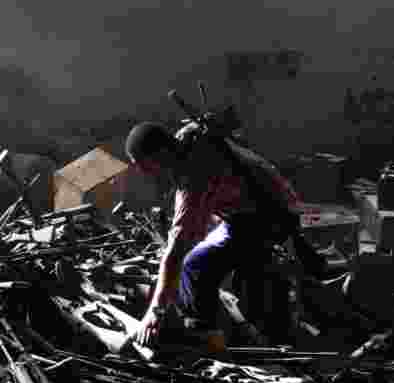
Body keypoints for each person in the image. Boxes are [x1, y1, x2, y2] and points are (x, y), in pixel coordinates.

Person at [125, 120, 315, 348]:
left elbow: (176, 251)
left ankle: (206, 335)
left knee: (194, 264)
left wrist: (154, 312)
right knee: (219, 257)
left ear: (158, 154)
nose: (142, 172)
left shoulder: (193, 176)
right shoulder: (190, 137)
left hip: (269, 217)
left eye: (142, 164)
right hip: (265, 206)